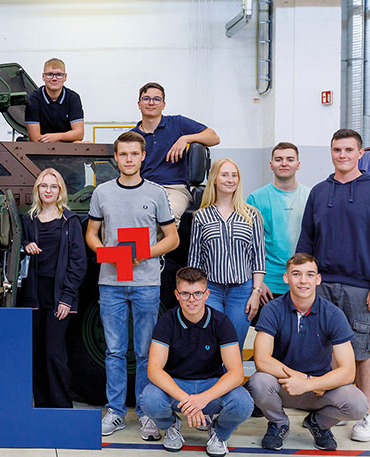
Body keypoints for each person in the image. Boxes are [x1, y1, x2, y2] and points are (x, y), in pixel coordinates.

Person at [295, 128, 370, 443]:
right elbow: (306, 239)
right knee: (328, 351)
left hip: (362, 287)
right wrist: (303, 280)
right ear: (331, 152)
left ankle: (366, 414)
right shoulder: (319, 192)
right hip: (323, 285)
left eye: (349, 150)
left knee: (363, 352)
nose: (342, 155)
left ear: (360, 153)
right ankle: (338, 407)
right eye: (337, 150)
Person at [85, 131, 179, 439]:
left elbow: (172, 239)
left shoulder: (156, 193)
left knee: (144, 351)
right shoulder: (102, 192)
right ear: (116, 158)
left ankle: (145, 412)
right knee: (113, 351)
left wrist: (144, 253)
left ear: (143, 157)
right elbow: (92, 234)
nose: (128, 159)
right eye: (123, 154)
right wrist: (106, 253)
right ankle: (114, 412)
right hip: (111, 282)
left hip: (146, 283)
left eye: (134, 154)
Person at [249, 253, 369, 451]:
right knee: (258, 382)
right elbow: (262, 360)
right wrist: (300, 379)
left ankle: (318, 424)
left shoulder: (333, 314)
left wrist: (310, 383)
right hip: (284, 385)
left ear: (318, 279)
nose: (303, 281)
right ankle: (279, 423)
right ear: (286, 277)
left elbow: (348, 371)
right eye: (296, 274)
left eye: (310, 274)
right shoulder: (272, 309)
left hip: (320, 389)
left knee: (358, 405)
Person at [140, 267, 253, 457]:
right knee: (149, 399)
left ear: (207, 294)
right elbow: (154, 370)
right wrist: (188, 400)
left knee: (243, 403)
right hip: (177, 387)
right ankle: (171, 426)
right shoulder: (167, 321)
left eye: (197, 293)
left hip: (211, 387)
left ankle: (219, 433)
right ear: (177, 295)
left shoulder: (221, 322)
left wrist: (202, 399)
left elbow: (236, 373)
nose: (191, 299)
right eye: (185, 293)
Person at [19, 168, 87, 408]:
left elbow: (79, 262)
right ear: (38, 189)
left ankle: (61, 408)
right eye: (44, 186)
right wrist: (26, 244)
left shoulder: (70, 220)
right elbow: (17, 248)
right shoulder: (28, 220)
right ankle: (41, 407)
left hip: (59, 294)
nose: (48, 190)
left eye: (53, 186)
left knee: (54, 352)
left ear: (60, 191)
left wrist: (67, 297)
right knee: (36, 352)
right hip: (34, 294)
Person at [188, 158, 265, 348]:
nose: (230, 180)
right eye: (224, 175)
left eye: (234, 175)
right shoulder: (201, 217)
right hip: (210, 290)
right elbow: (194, 260)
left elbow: (258, 258)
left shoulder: (252, 215)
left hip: (242, 291)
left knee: (234, 346)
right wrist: (194, 293)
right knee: (211, 344)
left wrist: (256, 293)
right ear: (214, 179)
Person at [131, 82, 220, 221]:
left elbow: (214, 137)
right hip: (143, 189)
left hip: (174, 190)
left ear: (163, 104)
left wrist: (186, 139)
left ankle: (163, 236)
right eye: (146, 98)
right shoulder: (132, 137)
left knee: (167, 215)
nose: (151, 103)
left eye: (156, 99)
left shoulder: (178, 123)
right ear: (139, 104)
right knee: (131, 216)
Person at [246, 142, 311, 307]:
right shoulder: (255, 199)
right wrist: (258, 282)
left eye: (290, 159)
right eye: (278, 159)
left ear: (298, 164)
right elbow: (247, 246)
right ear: (271, 165)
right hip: (268, 284)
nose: (284, 163)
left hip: (302, 282)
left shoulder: (311, 196)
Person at [24, 58, 85, 143]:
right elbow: (35, 139)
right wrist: (70, 142)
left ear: (65, 77)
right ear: (43, 77)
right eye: (50, 74)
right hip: (41, 149)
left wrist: (56, 137)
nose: (54, 78)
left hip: (67, 148)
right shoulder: (33, 99)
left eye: (59, 75)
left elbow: (79, 134)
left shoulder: (73, 98)